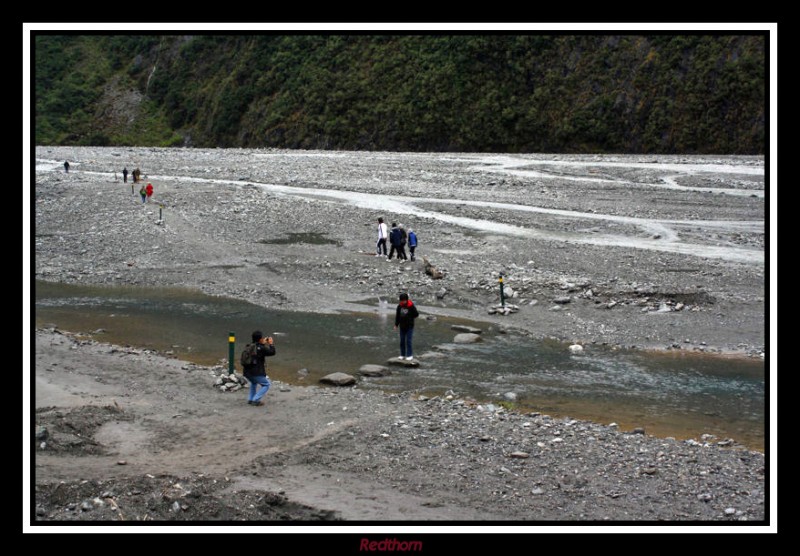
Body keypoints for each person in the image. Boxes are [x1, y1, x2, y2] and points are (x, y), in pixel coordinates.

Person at [243, 330, 276, 406]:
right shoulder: (261, 348)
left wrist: (262, 343)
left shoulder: (249, 346)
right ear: (260, 339)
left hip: (247, 372)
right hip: (256, 372)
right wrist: (271, 344)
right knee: (266, 384)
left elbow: (258, 352)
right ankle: (256, 399)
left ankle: (250, 399)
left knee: (254, 383)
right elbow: (272, 352)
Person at [394, 292, 419, 361]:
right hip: (402, 326)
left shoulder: (411, 306)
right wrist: (396, 325)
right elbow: (397, 316)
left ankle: (409, 355)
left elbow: (416, 314)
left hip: (409, 326)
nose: (402, 302)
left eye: (404, 300)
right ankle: (402, 354)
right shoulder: (399, 306)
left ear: (406, 300)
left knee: (408, 341)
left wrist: (410, 318)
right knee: (402, 341)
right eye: (401, 300)